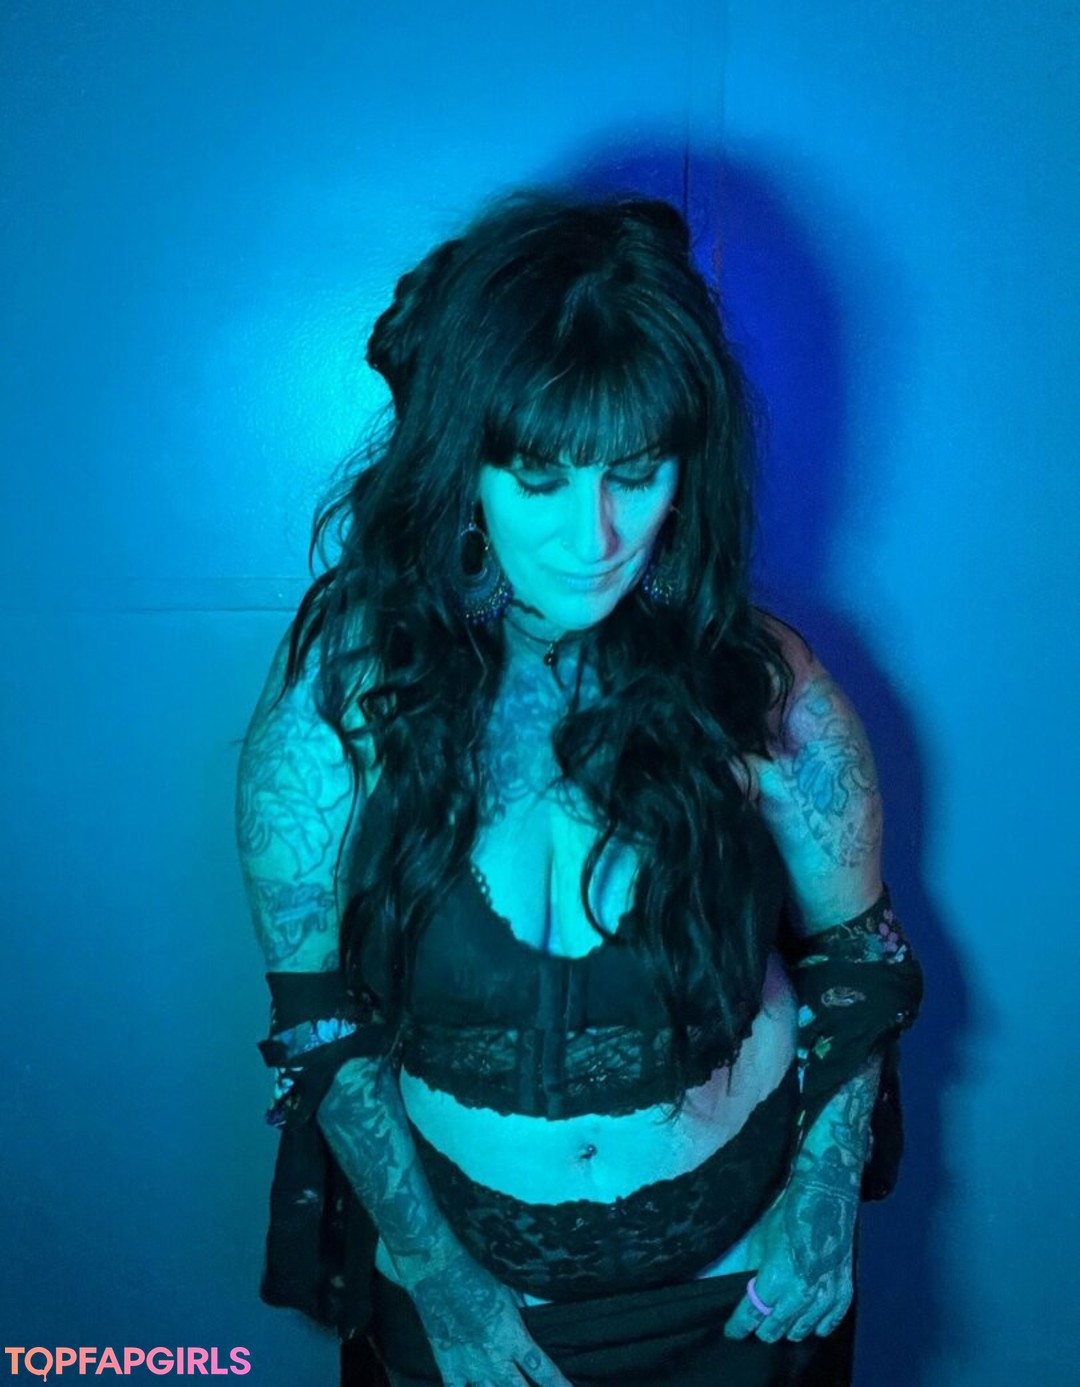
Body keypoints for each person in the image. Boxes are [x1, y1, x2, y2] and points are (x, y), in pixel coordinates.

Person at [235, 190, 923, 1387]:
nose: (593, 537)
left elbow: (857, 957)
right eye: (539, 479)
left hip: (744, 1296)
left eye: (635, 474)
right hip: (465, 1300)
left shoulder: (761, 685)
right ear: (464, 465)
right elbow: (318, 1016)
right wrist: (438, 1276)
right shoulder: (345, 704)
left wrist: (821, 1202)